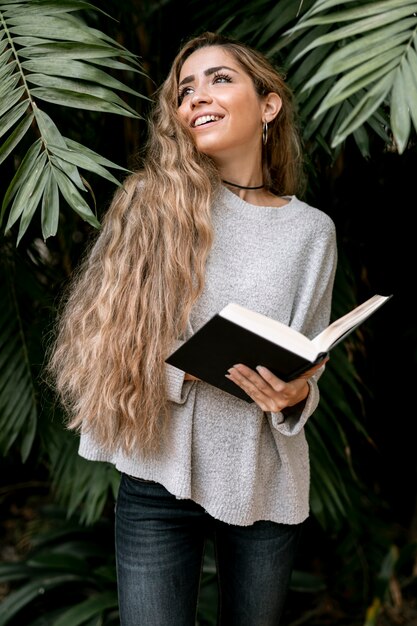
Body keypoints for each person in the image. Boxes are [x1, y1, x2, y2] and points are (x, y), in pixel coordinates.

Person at [47, 31, 337, 626]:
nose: (196, 96)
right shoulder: (154, 203)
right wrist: (184, 368)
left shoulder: (312, 232)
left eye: (219, 79)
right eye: (185, 89)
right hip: (158, 471)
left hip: (264, 479)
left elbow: (307, 358)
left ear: (270, 103)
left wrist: (295, 395)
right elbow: (102, 344)